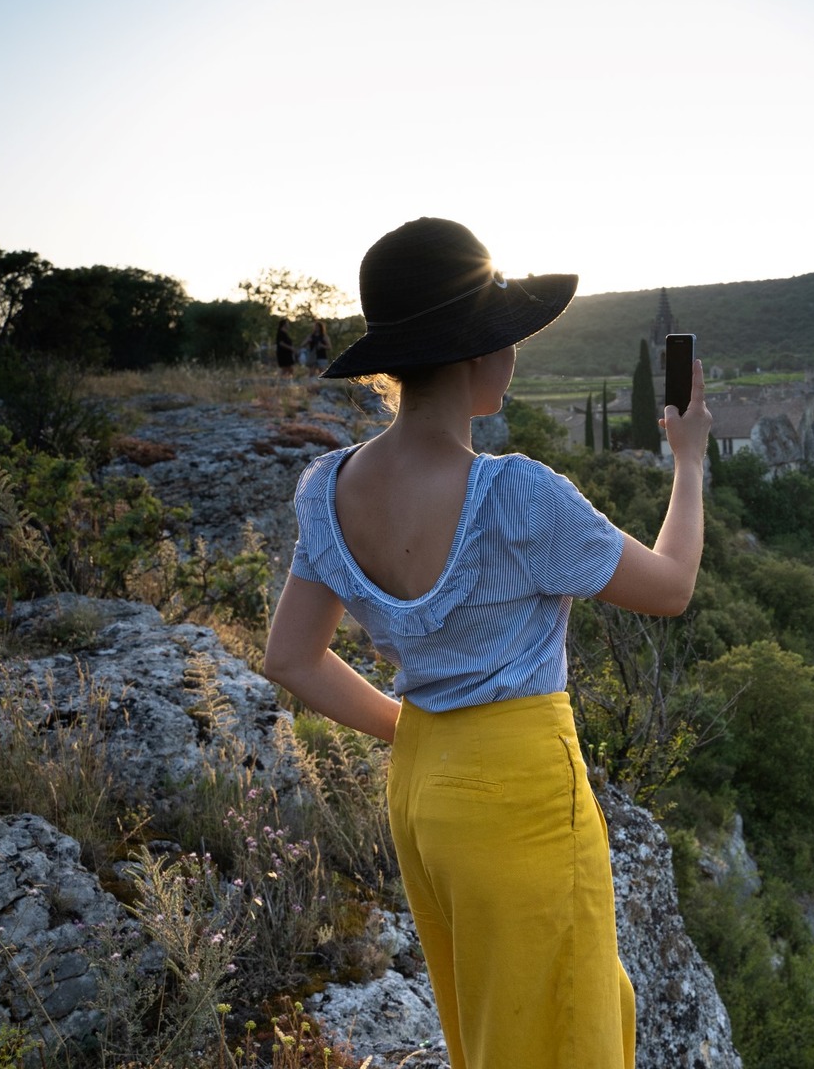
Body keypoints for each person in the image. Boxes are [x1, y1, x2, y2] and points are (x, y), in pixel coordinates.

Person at [263, 217, 710, 1069]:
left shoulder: (327, 489)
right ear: (473, 354)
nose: (515, 356)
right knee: (561, 1029)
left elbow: (291, 659)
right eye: (505, 338)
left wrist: (413, 730)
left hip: (422, 793)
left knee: (491, 1034)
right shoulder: (517, 496)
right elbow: (672, 586)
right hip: (521, 796)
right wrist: (689, 462)